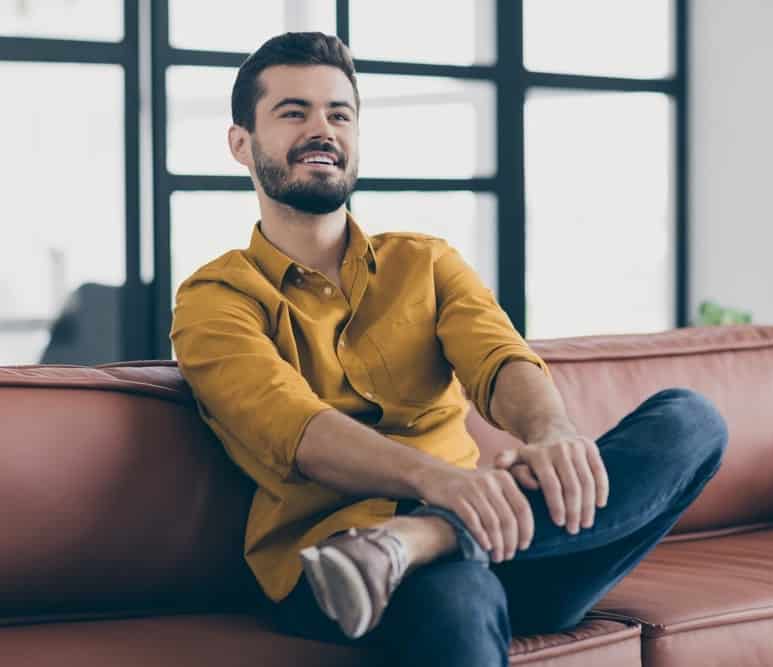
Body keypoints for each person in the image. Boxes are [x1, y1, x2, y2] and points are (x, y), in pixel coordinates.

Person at [170, 32, 728, 667]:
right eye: (293, 112)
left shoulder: (427, 261)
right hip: (336, 564)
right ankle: (411, 548)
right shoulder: (214, 299)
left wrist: (551, 431)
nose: (322, 129)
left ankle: (421, 539)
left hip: (510, 539)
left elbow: (499, 358)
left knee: (690, 421)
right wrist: (441, 481)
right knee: (457, 597)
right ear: (241, 144)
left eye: (339, 113)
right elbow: (293, 427)